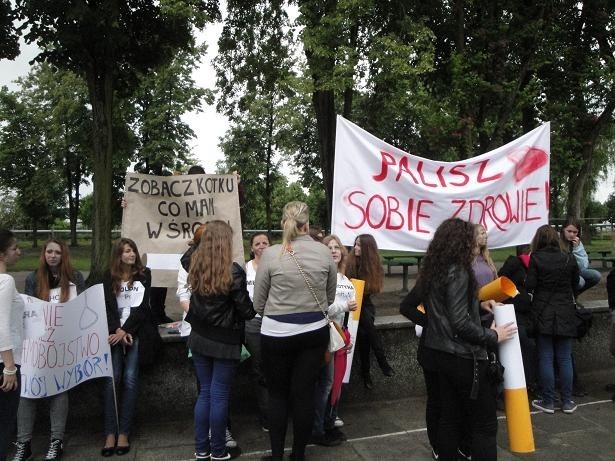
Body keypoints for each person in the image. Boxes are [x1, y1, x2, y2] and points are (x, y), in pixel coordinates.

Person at [415, 218, 516, 460]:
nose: (476, 244)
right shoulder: (459, 270)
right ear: (461, 242)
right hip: (463, 357)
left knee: (450, 419)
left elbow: (447, 308)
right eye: (471, 240)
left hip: (440, 353)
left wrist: (478, 302)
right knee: (484, 424)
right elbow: (460, 323)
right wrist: (493, 335)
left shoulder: (434, 267)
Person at [253, 201, 337, 461]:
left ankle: (276, 455)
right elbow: (330, 296)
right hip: (314, 332)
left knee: (277, 395)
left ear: (283, 224)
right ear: (307, 225)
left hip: (276, 333)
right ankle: (298, 454)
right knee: (304, 395)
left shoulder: (271, 254)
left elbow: (258, 303)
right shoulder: (324, 253)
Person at [186, 220, 256, 461]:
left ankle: (202, 450)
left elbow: (187, 255)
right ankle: (218, 451)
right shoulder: (233, 270)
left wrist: (199, 239)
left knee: (205, 393)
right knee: (218, 396)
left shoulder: (194, 264)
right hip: (225, 341)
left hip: (199, 338)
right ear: (224, 243)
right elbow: (247, 311)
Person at [13, 240, 85, 461]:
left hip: (64, 345)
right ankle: (23, 444)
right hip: (38, 344)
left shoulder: (75, 277)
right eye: (49, 252)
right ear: (44, 254)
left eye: (57, 252)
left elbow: (81, 308)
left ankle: (57, 440)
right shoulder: (34, 278)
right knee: (27, 392)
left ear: (64, 255)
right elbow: (29, 310)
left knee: (59, 389)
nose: (53, 256)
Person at [101, 238, 152, 457]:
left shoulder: (144, 274)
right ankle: (110, 432)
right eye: (126, 252)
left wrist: (127, 331)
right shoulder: (108, 276)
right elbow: (105, 306)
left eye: (132, 250)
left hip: (135, 332)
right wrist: (116, 330)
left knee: (130, 377)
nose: (131, 254)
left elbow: (143, 308)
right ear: (118, 256)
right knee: (113, 379)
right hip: (113, 334)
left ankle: (124, 432)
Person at [528, 225, 580, 415]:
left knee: (546, 357)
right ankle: (567, 401)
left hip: (543, 312)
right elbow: (576, 282)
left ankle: (548, 401)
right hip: (565, 310)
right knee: (565, 357)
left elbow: (530, 284)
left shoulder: (536, 258)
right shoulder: (568, 257)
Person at [311, 235, 357, 447]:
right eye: (328, 247)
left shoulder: (347, 281)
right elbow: (323, 308)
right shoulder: (320, 278)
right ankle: (318, 428)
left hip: (340, 337)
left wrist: (347, 336)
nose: (333, 250)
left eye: (336, 247)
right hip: (324, 335)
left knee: (335, 383)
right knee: (326, 384)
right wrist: (343, 307)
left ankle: (327, 423)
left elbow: (351, 314)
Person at [345, 234, 392, 389]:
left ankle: (367, 373)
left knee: (365, 332)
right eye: (355, 244)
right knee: (366, 330)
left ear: (367, 249)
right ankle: (380, 362)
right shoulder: (348, 262)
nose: (356, 248)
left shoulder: (373, 266)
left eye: (359, 245)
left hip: (365, 305)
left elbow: (372, 290)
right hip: (349, 305)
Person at [498, 245, 538, 394]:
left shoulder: (535, 263)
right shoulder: (514, 263)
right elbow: (501, 280)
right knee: (525, 344)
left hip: (529, 314)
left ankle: (530, 382)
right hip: (515, 313)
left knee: (531, 346)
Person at [0, 230, 24, 461]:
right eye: (14, 248)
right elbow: (1, 324)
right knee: (5, 423)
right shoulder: (5, 280)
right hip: (6, 362)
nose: (19, 251)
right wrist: (9, 367)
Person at [244, 232, 271, 431]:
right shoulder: (244, 269)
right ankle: (266, 416)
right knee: (259, 368)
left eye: (265, 242)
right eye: (257, 243)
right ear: (252, 247)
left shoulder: (276, 266)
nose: (261, 246)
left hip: (275, 322)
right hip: (253, 323)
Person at [560, 217, 601, 296]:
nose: (572, 234)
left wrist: (577, 249)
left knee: (595, 275)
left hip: (575, 271)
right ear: (563, 230)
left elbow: (583, 267)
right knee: (580, 281)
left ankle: (574, 295)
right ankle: (567, 296)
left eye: (575, 232)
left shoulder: (578, 243)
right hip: (561, 272)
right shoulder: (557, 241)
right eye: (569, 231)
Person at [472, 224, 497, 288]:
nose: (486, 236)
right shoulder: (467, 259)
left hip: (491, 296)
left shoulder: (487, 259)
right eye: (482, 233)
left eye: (485, 233)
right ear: (474, 236)